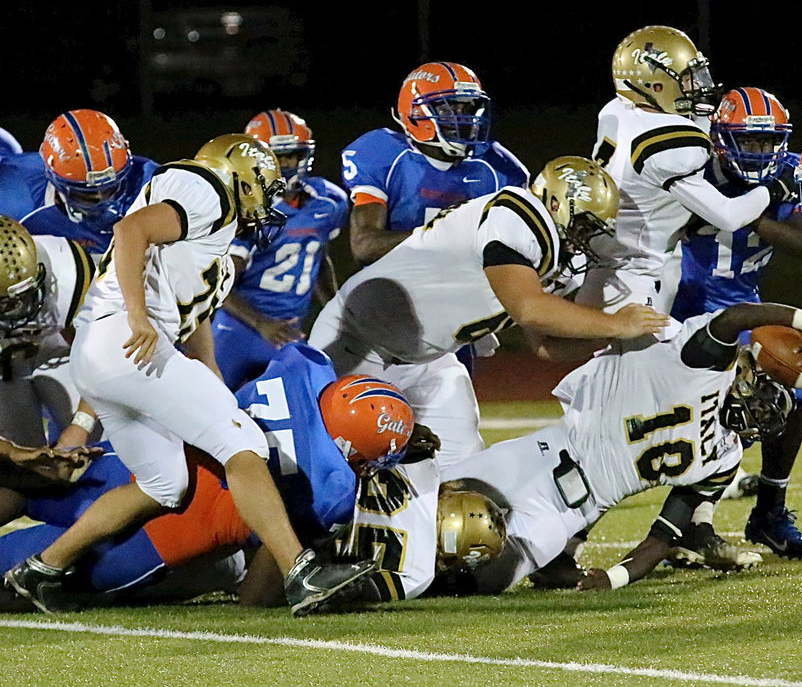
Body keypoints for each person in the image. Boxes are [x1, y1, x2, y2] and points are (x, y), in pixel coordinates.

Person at [3, 134, 374, 617]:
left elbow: (194, 324)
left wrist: (215, 386)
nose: (268, 200)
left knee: (165, 485)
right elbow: (132, 229)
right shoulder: (206, 187)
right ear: (242, 178)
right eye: (263, 185)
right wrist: (137, 316)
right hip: (127, 341)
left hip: (106, 356)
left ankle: (42, 569)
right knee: (242, 444)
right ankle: (300, 573)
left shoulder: (212, 253)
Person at [0, 346, 492, 608]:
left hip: (134, 464)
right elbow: (255, 596)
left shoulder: (304, 371)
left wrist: (396, 436)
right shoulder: (329, 490)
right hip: (153, 539)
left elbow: (339, 416)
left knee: (20, 486)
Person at [440, 301, 802, 594]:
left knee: (476, 579)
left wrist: (611, 579)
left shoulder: (724, 458)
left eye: (762, 418)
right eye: (757, 401)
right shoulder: (705, 363)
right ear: (747, 373)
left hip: (575, 509)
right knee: (438, 502)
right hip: (544, 454)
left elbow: (663, 537)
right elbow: (736, 317)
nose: (752, 417)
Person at [310, 156, 668, 469]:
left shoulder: (550, 253)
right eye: (585, 225)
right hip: (358, 341)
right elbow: (528, 309)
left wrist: (609, 337)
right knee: (343, 462)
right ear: (557, 203)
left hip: (429, 360)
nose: (588, 237)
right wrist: (616, 323)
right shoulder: (517, 214)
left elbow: (545, 346)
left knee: (462, 464)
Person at [670, 87, 802, 559]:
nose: (757, 152)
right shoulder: (687, 165)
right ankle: (683, 526)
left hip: (745, 307)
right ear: (719, 139)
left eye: (766, 141)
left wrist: (748, 217)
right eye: (746, 141)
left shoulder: (791, 174)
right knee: (697, 411)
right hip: (677, 308)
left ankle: (770, 510)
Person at [584, 26, 802, 316]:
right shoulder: (674, 146)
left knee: (615, 356)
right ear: (656, 85)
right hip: (635, 273)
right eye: (687, 77)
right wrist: (774, 189)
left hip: (605, 257)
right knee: (656, 356)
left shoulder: (616, 111)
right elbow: (729, 216)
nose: (698, 85)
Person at [340, 62, 528, 266]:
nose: (463, 118)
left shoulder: (499, 169)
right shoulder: (385, 155)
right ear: (415, 113)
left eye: (467, 108)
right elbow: (365, 246)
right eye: (448, 109)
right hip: (395, 285)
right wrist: (441, 236)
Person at [212, 109, 349, 389]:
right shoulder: (245, 209)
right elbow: (219, 285)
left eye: (293, 155)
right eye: (277, 157)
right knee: (210, 408)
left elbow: (316, 256)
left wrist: (335, 309)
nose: (286, 164)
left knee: (307, 405)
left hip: (289, 330)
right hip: (238, 330)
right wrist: (263, 324)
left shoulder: (329, 200)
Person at [0, 110, 158, 254]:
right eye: (87, 194)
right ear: (55, 181)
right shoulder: (14, 193)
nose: (103, 201)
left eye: (110, 189)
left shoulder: (153, 183)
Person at [0, 217, 96, 446]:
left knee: (98, 436)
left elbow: (103, 357)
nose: (22, 307)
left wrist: (81, 424)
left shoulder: (67, 272)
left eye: (27, 295)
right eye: (8, 303)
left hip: (55, 346)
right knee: (17, 457)